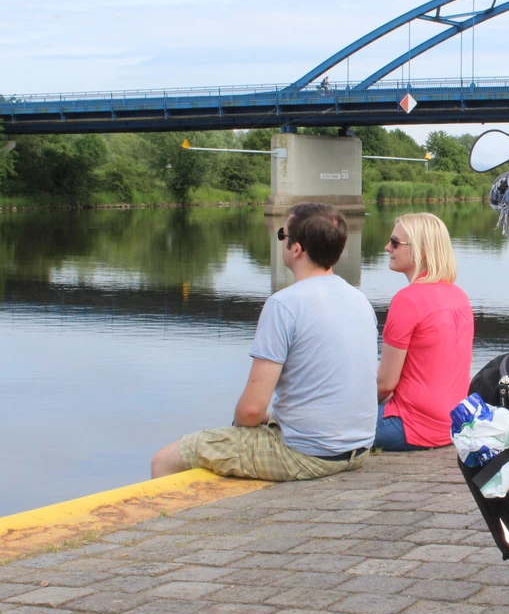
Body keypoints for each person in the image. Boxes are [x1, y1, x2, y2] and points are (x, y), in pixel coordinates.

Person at [150, 202, 378, 480]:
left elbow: (251, 410)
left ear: (296, 249)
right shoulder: (359, 300)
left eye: (283, 234)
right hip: (358, 448)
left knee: (165, 459)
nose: (281, 239)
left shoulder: (284, 304)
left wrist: (239, 430)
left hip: (309, 454)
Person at [375, 213, 474, 451]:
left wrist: (353, 408)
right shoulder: (460, 295)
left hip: (412, 426)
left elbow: (385, 384)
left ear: (421, 251)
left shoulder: (407, 300)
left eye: (395, 242)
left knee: (324, 420)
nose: (387, 247)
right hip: (453, 425)